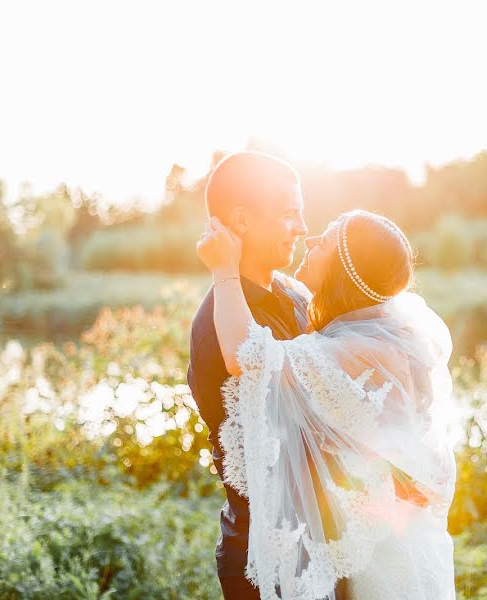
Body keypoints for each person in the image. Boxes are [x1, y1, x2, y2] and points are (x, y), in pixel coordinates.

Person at [197, 208, 457, 599]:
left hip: (383, 559)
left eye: (327, 240)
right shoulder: (369, 334)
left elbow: (246, 356)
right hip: (390, 541)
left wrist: (223, 270)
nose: (311, 238)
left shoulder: (362, 349)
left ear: (343, 270)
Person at [187, 151, 333, 599]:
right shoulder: (219, 317)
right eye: (290, 214)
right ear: (243, 220)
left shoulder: (293, 294)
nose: (302, 228)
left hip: (318, 541)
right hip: (261, 559)